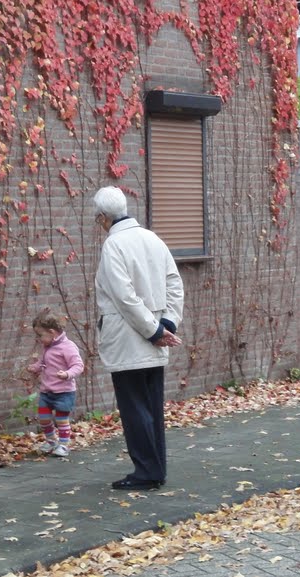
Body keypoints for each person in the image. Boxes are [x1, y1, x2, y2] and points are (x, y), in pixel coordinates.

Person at [92, 185, 184, 490]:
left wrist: (156, 331)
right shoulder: (152, 239)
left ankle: (146, 472)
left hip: (129, 339)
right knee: (152, 407)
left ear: (104, 217)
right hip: (153, 335)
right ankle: (156, 470)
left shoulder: (113, 246)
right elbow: (174, 282)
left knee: (134, 408)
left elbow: (125, 298)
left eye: (97, 218)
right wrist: (167, 322)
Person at [27, 311, 85, 457]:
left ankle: (64, 445)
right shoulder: (48, 346)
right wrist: (36, 367)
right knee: (44, 418)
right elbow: (44, 362)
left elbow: (78, 365)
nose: (39, 339)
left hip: (64, 392)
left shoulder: (68, 347)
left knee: (61, 419)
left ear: (52, 332)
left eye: (40, 335)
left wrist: (67, 374)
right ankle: (52, 441)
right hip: (47, 391)